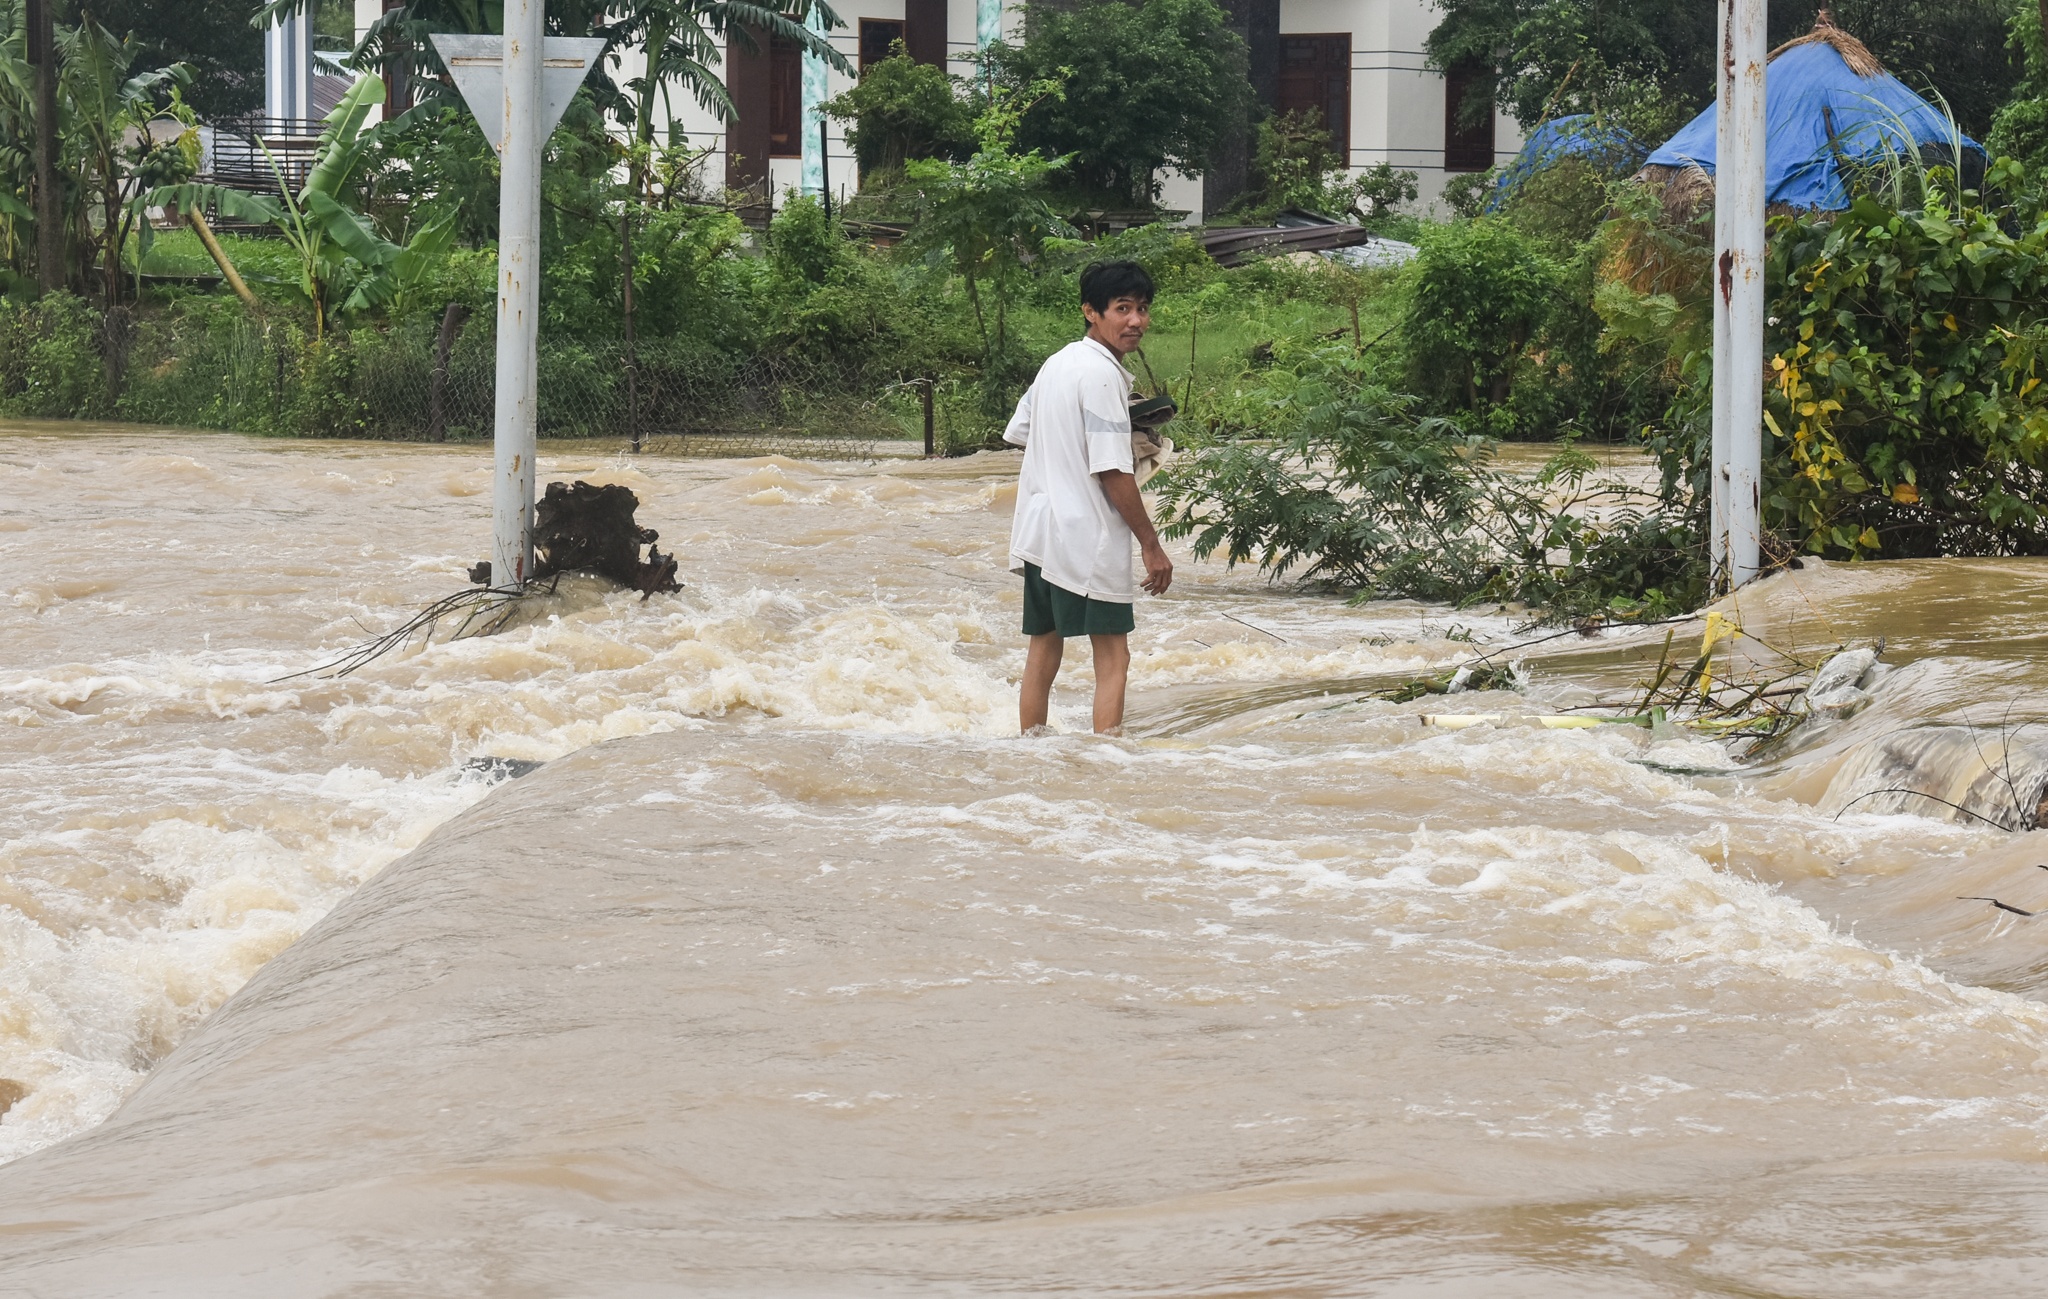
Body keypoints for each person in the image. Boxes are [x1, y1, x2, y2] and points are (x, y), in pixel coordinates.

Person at [1004, 259, 1174, 735]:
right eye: (1122, 308)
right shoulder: (1101, 377)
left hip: (1041, 529)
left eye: (1142, 308)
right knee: (1113, 653)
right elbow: (1111, 471)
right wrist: (1151, 544)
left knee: (1044, 645)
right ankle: (1107, 761)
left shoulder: (1057, 363)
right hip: (1086, 536)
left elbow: (1020, 432)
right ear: (1091, 312)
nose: (1136, 321)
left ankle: (1030, 747)